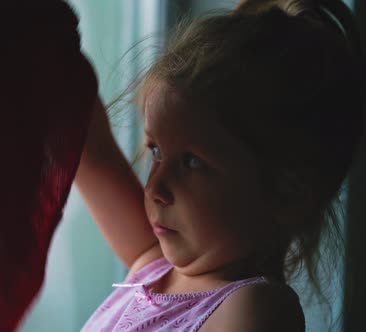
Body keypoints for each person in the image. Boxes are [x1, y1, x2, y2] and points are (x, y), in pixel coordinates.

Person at [75, 0, 365, 331]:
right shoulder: (152, 265)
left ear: (287, 192)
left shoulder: (253, 309)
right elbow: (90, 144)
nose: (155, 188)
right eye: (155, 151)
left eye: (191, 161)